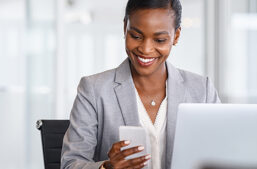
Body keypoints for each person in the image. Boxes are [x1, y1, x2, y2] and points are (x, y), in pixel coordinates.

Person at [60, 0, 220, 169]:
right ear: (124, 28)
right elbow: (70, 164)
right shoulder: (93, 89)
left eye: (159, 40)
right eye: (136, 36)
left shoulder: (202, 90)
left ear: (176, 36)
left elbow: (223, 153)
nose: (145, 49)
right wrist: (107, 167)